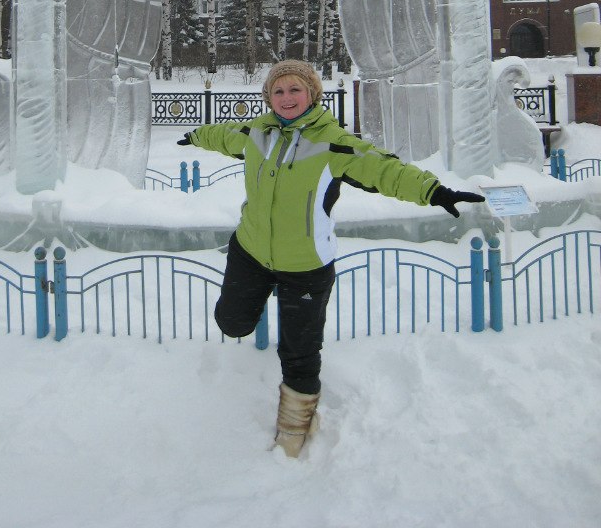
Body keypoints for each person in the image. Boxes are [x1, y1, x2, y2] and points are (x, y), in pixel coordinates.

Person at [177, 59, 484, 457]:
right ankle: (261, 302)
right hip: (251, 252)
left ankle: (295, 426)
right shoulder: (257, 133)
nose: (286, 98)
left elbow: (381, 168)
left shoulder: (331, 143)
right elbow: (223, 135)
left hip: (305, 266)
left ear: (312, 94)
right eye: (278, 91)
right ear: (269, 97)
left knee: (299, 353)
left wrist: (434, 191)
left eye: (295, 90)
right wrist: (196, 134)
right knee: (231, 322)